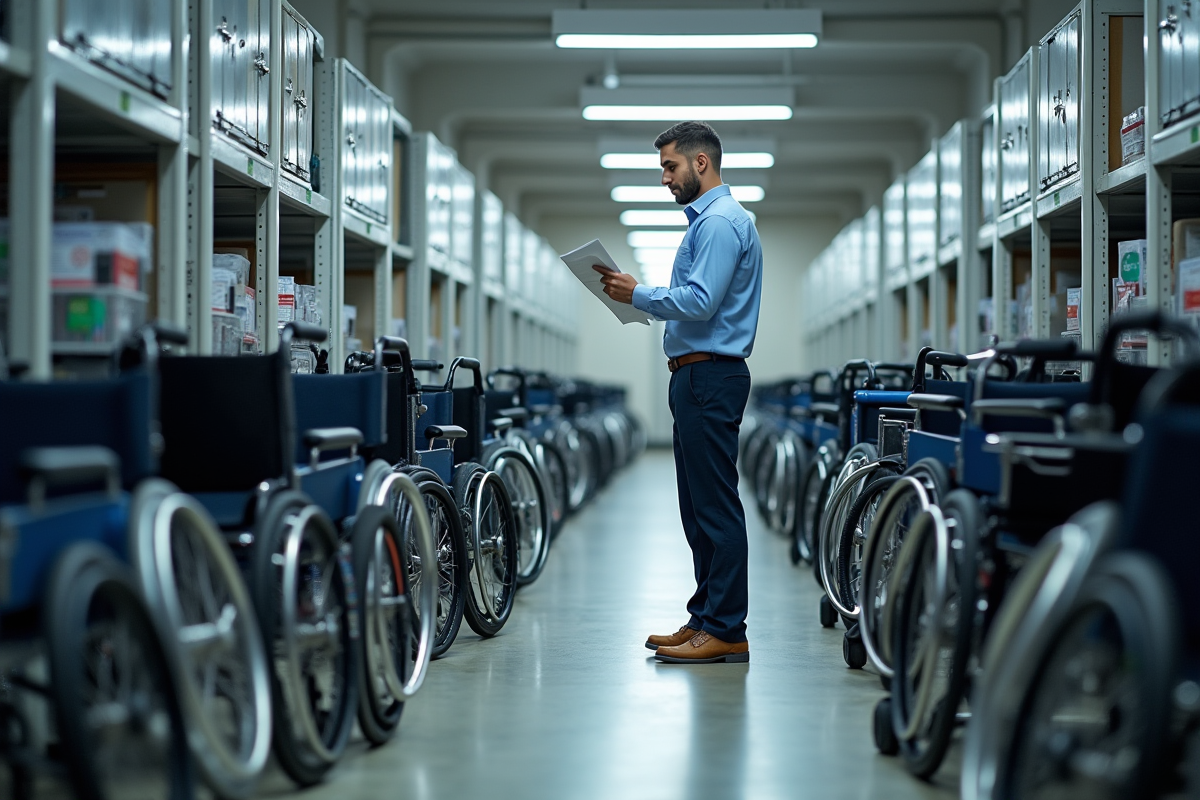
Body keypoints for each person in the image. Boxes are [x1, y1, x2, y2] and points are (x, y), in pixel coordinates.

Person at [595, 121, 763, 664]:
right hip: (696, 375)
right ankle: (704, 619)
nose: (665, 179)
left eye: (670, 167)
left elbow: (701, 301)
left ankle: (726, 628)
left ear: (700, 164)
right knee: (697, 508)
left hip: (710, 376)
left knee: (715, 507)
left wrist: (637, 293)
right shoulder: (710, 223)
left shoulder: (718, 223)